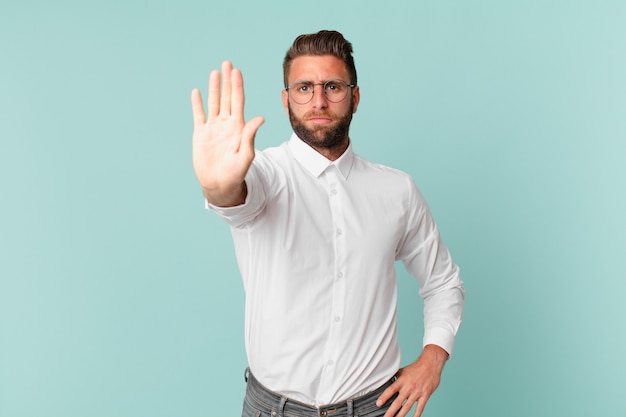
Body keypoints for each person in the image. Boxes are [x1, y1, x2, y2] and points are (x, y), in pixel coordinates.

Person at [190, 30, 464, 417]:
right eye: (304, 87)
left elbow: (443, 282)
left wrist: (434, 358)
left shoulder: (396, 190)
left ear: (355, 96)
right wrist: (218, 186)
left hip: (377, 407)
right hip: (273, 409)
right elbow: (236, 200)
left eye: (333, 86)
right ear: (286, 100)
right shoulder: (264, 174)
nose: (318, 100)